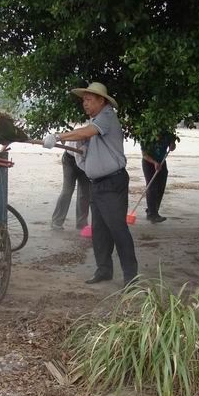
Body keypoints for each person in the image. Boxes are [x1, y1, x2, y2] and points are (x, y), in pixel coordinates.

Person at [43, 82, 138, 286]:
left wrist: (58, 136)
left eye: (89, 99)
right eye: (83, 100)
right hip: (98, 183)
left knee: (118, 229)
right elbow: (86, 144)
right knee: (100, 230)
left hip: (113, 182)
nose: (85, 104)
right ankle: (103, 270)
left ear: (101, 100)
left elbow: (85, 132)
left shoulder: (107, 116)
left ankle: (131, 276)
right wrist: (81, 156)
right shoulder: (94, 120)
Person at [51, 143, 90, 231]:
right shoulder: (81, 130)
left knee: (84, 194)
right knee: (67, 191)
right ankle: (56, 222)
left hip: (86, 159)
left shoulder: (97, 132)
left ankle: (82, 224)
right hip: (70, 159)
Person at [141, 133, 177, 223]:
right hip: (148, 162)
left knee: (161, 187)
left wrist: (172, 145)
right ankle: (152, 215)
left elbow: (172, 145)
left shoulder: (166, 133)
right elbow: (144, 154)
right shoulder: (145, 134)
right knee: (151, 187)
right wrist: (154, 163)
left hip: (162, 161)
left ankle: (152, 210)